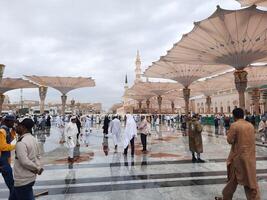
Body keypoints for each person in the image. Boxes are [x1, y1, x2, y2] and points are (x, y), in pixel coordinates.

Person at [215, 108, 260, 200]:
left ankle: (226, 197)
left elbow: (230, 140)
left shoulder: (235, 125)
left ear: (234, 116)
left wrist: (228, 133)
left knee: (232, 180)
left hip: (238, 159)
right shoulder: (250, 125)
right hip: (250, 158)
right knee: (250, 181)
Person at [13, 118, 43, 200]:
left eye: (18, 125)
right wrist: (37, 167)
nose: (16, 127)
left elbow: (24, 161)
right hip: (30, 177)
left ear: (23, 127)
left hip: (23, 179)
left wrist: (37, 168)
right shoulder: (33, 139)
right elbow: (39, 156)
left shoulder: (21, 142)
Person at [0, 115, 17, 200]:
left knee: (12, 186)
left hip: (5, 159)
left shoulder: (6, 130)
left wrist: (13, 131)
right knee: (12, 185)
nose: (13, 124)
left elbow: (9, 140)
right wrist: (15, 146)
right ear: (7, 121)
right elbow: (3, 147)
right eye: (12, 122)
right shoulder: (2, 131)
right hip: (2, 161)